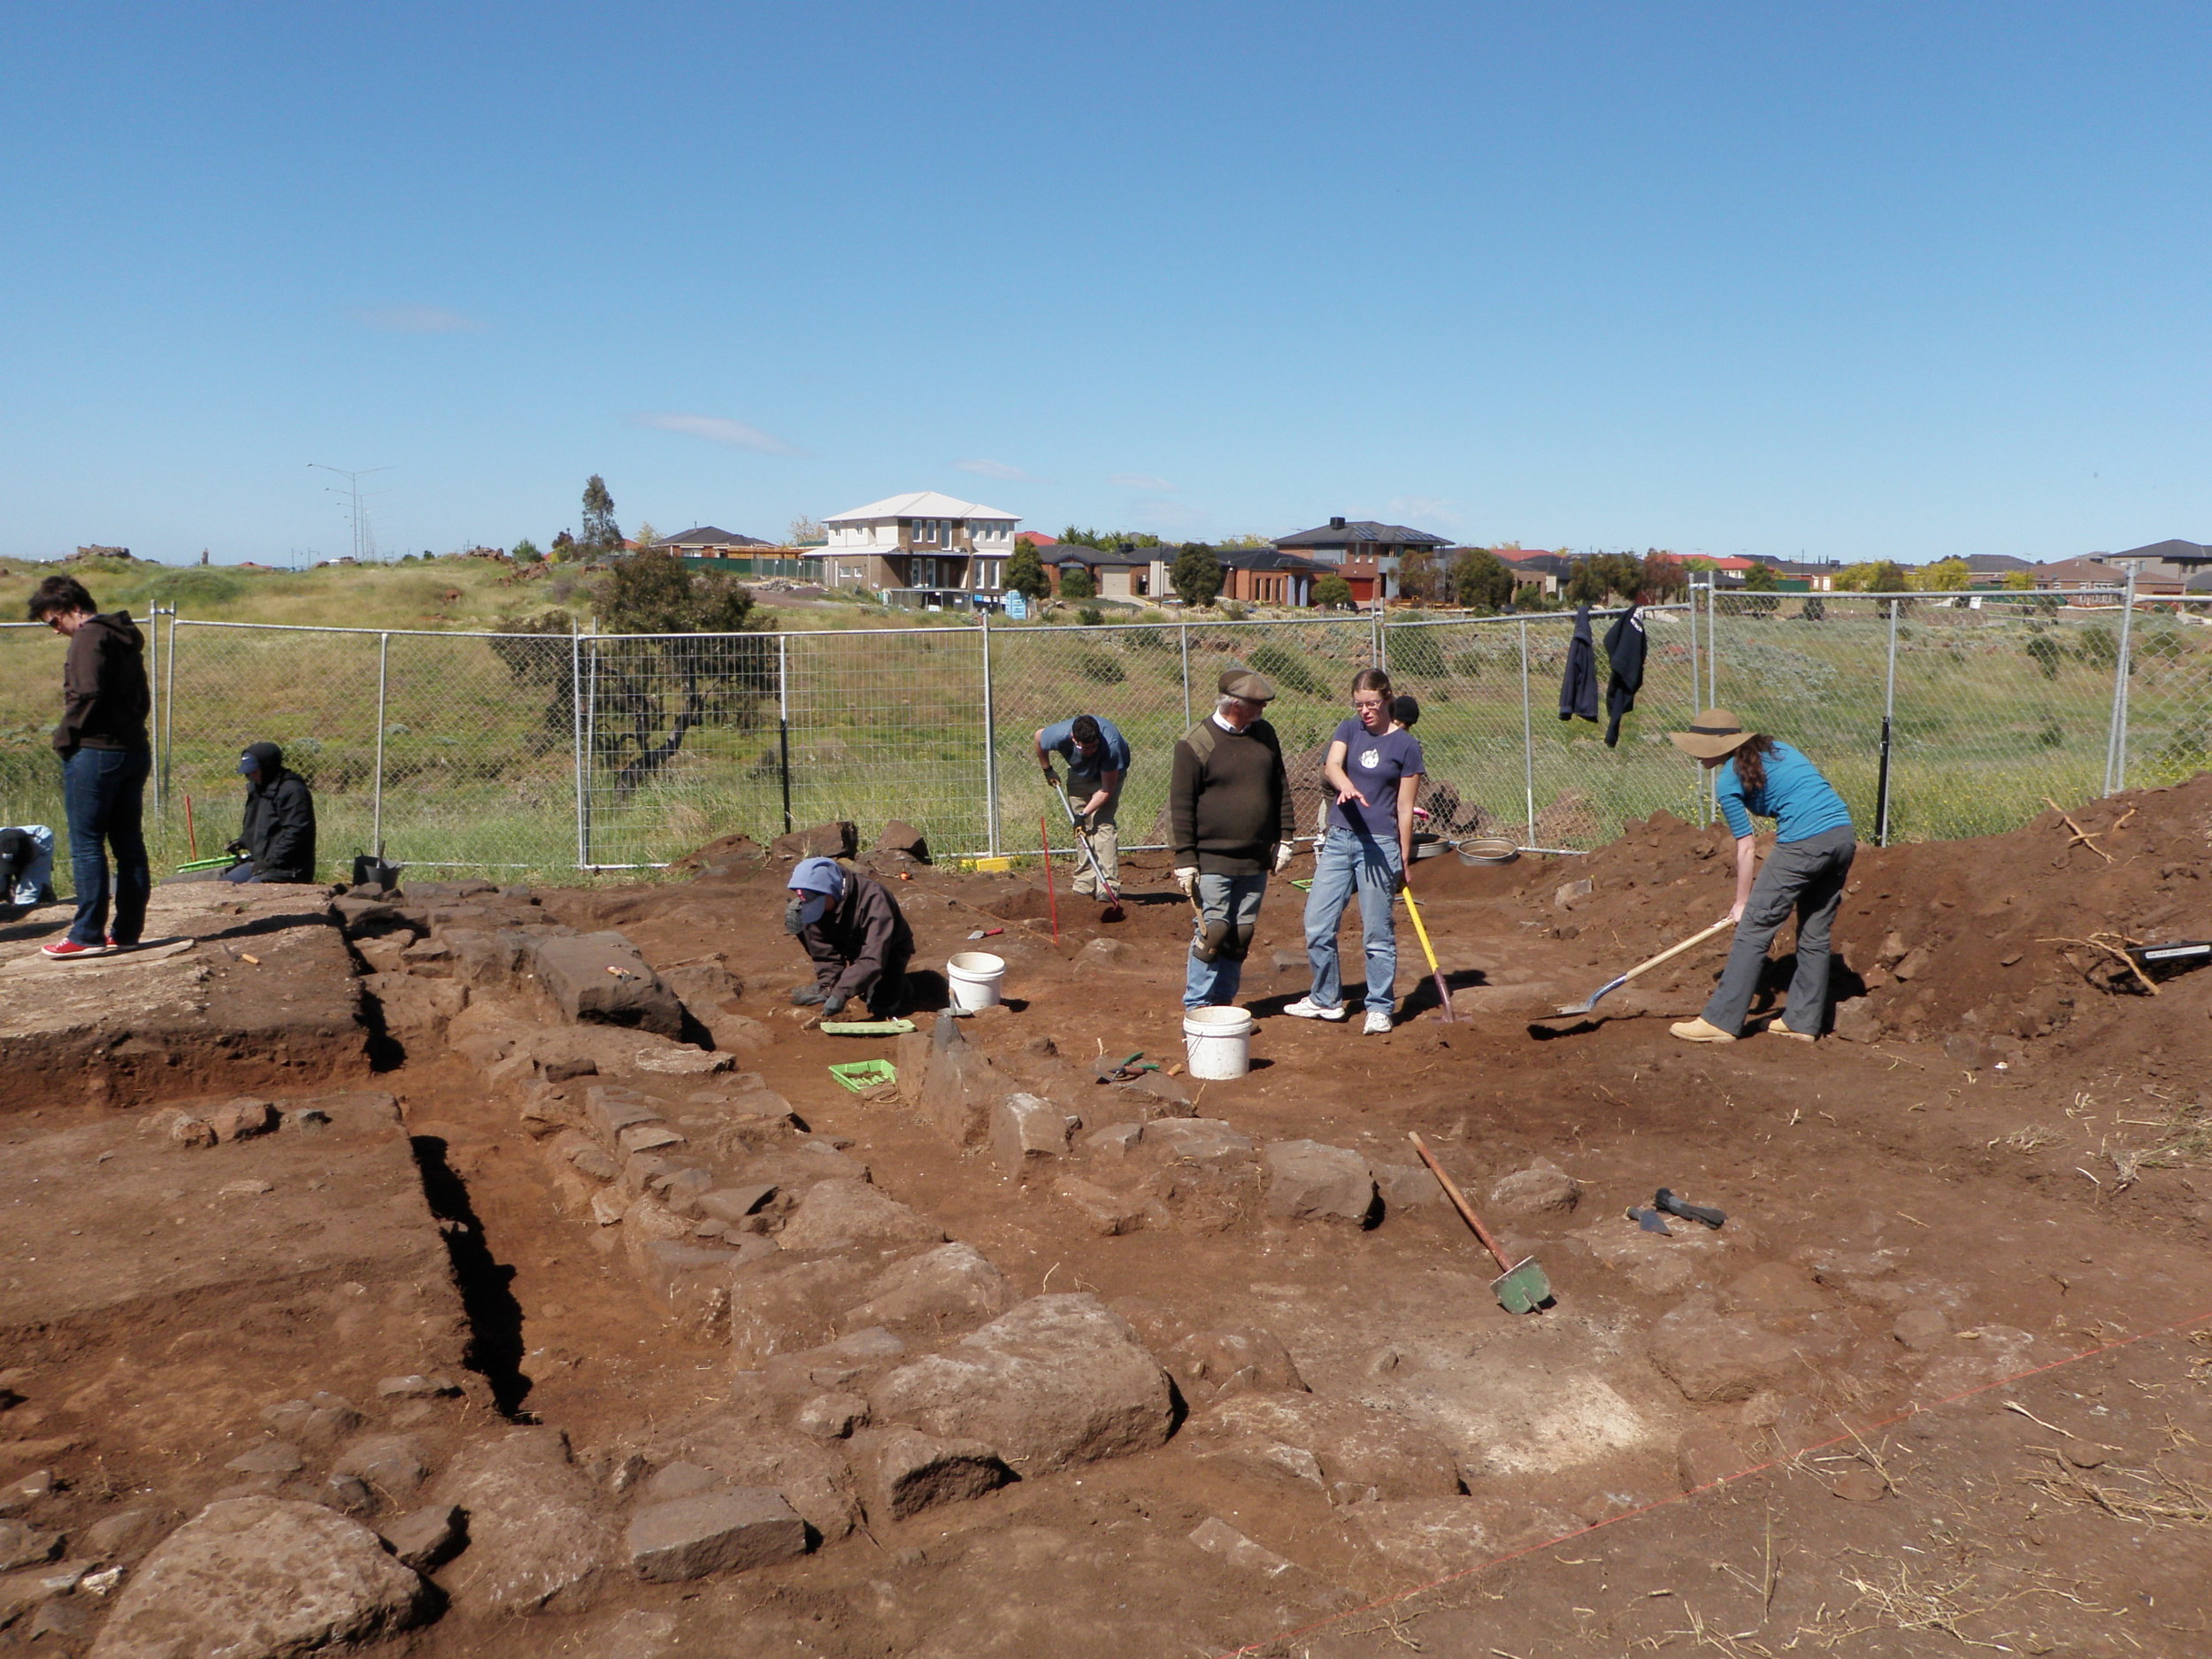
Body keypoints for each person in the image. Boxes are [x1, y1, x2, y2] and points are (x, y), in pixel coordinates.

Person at [1666, 709, 1856, 1044]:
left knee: (1754, 928)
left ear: (1716, 747)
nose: (1694, 754)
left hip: (1804, 843)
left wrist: (1742, 903)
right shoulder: (1778, 749)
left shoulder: (1728, 781)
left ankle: (1720, 1022)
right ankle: (1802, 1021)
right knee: (1814, 933)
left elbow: (1745, 846)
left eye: (1698, 746)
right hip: (1842, 837)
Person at [1286, 669, 1425, 1033]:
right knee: (1317, 924)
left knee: (1377, 933)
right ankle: (1326, 999)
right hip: (1340, 838)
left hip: (1379, 845)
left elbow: (1405, 808)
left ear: (1388, 698)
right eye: (1359, 704)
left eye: (1372, 704)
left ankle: (1379, 1006)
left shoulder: (1407, 746)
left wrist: (1404, 860)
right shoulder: (1349, 729)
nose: (1365, 711)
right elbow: (1332, 765)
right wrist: (1345, 785)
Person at [27, 575, 150, 959]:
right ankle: (127, 931)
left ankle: (86, 935)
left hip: (96, 753)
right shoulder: (123, 635)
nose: (55, 631)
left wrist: (65, 737)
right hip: (132, 749)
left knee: (86, 845)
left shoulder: (88, 637)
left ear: (71, 609)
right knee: (128, 843)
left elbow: (86, 692)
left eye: (54, 622)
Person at [1170, 669, 1294, 1009]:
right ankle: (1197, 1009)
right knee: (1214, 933)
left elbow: (1280, 787)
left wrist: (1285, 838)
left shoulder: (1263, 735)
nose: (1262, 710)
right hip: (1212, 858)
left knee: (1240, 934)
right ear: (1235, 704)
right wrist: (1184, 858)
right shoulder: (1196, 742)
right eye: (1257, 704)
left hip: (1255, 858)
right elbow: (1180, 804)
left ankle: (1223, 1006)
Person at [785, 856, 914, 1018]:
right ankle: (839, 983)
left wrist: (841, 993)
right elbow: (824, 952)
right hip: (851, 943)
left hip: (888, 951)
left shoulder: (874, 899)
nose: (816, 908)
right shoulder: (818, 900)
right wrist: (829, 986)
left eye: (818, 903)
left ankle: (905, 985)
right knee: (797, 913)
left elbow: (874, 956)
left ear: (830, 890)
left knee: (881, 1006)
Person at [1033, 712, 1130, 902]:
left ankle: (1108, 886)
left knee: (1103, 824)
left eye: (1093, 746)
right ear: (1073, 738)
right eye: (1083, 747)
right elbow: (1038, 737)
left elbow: (1106, 790)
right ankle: (1084, 883)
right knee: (1081, 828)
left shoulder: (1111, 747)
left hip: (1108, 775)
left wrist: (1083, 814)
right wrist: (1047, 769)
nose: (1089, 751)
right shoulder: (1058, 735)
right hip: (1079, 773)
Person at [225, 742, 318, 884]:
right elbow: (261, 826)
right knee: (224, 885)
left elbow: (296, 833)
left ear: (268, 768)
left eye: (254, 772)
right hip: (262, 862)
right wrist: (243, 841)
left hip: (288, 869)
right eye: (247, 773)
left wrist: (270, 861)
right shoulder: (259, 789)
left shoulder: (292, 790)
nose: (250, 777)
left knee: (246, 892)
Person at [0, 826, 57, 910]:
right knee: (2, 889)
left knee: (28, 900)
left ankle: (44, 893)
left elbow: (28, 894)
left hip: (35, 850)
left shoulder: (41, 840)